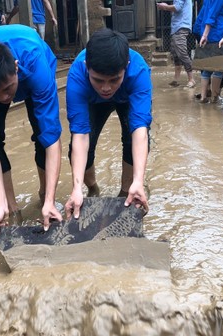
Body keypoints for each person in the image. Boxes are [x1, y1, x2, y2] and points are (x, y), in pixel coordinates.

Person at [0, 25, 63, 233]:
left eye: (7, 90)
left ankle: (45, 197)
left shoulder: (34, 63)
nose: (4, 98)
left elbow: (52, 137)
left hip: (33, 72)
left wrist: (51, 199)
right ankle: (10, 208)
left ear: (16, 67)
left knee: (42, 133)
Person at [65, 28, 152, 220]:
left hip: (126, 97)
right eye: (98, 80)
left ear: (126, 66)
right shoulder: (77, 75)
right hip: (93, 101)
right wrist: (76, 188)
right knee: (83, 149)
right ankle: (92, 189)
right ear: (87, 67)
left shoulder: (138, 71)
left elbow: (140, 130)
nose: (106, 87)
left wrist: (139, 180)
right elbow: (80, 134)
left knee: (130, 143)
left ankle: (126, 193)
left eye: (114, 79)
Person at [196, 0, 223, 103]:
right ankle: (214, 98)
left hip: (208, 33)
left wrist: (203, 33)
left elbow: (205, 14)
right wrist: (205, 34)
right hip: (219, 33)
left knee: (207, 67)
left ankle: (203, 97)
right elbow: (213, 13)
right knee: (218, 68)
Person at [157, 0, 196, 88]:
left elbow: (177, 7)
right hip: (177, 27)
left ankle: (191, 79)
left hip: (180, 26)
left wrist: (165, 6)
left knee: (182, 54)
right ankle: (176, 79)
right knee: (176, 54)